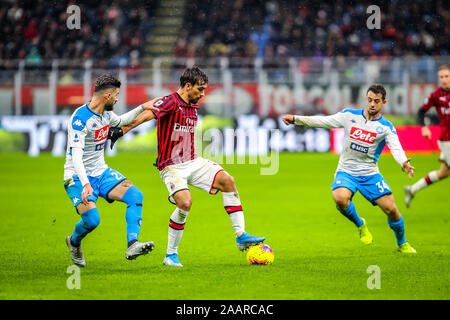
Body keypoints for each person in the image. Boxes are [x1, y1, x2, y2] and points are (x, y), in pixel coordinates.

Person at [108, 66, 265, 267]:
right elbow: (149, 114)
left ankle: (240, 235)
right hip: (171, 166)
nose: (203, 94)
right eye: (200, 89)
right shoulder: (170, 101)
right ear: (188, 86)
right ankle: (170, 255)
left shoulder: (192, 104)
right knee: (185, 203)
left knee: (227, 181)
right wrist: (123, 130)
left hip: (192, 160)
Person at [282, 84, 417, 253]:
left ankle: (402, 243)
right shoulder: (349, 116)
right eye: (369, 100)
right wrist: (295, 118)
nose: (372, 104)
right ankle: (360, 224)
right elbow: (323, 121)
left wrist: (403, 162)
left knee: (392, 210)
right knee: (339, 198)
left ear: (384, 102)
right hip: (346, 171)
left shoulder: (386, 127)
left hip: (370, 174)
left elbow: (396, 148)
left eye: (376, 101)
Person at [63, 74, 161, 267]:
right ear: (107, 96)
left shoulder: (106, 115)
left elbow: (122, 120)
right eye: (116, 95)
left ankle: (132, 244)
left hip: (102, 172)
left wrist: (143, 107)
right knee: (92, 221)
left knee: (135, 195)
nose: (117, 99)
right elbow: (76, 157)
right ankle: (74, 242)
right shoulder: (80, 119)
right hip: (76, 176)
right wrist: (85, 184)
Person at [404, 65, 450, 207]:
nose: (444, 79)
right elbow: (420, 112)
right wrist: (424, 127)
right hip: (447, 139)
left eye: (446, 76)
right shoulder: (436, 96)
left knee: (443, 173)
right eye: (441, 77)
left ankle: (412, 189)